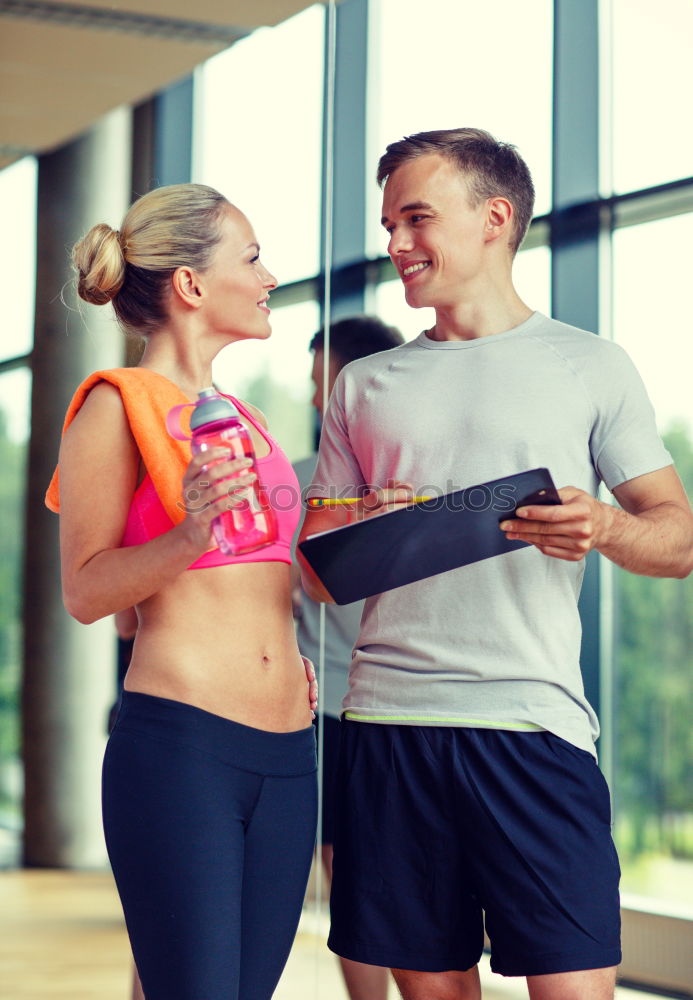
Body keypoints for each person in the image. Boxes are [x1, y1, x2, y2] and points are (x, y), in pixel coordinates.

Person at [298, 128, 693, 1000]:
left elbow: (677, 539)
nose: (395, 244)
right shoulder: (364, 386)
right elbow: (318, 570)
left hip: (532, 727)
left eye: (415, 219)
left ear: (493, 218)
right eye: (388, 223)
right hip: (389, 727)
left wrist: (601, 526)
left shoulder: (589, 365)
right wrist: (359, 517)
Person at [45, 183, 319, 1000]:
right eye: (252, 256)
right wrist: (189, 534)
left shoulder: (245, 418)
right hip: (185, 751)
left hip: (287, 755)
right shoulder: (112, 406)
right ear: (192, 285)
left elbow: (275, 579)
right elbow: (88, 593)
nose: (269, 275)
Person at [292, 316, 403, 1000]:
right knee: (358, 875)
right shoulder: (301, 482)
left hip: (383, 711)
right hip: (322, 710)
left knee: (358, 877)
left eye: (320, 385)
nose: (313, 402)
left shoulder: (305, 481)